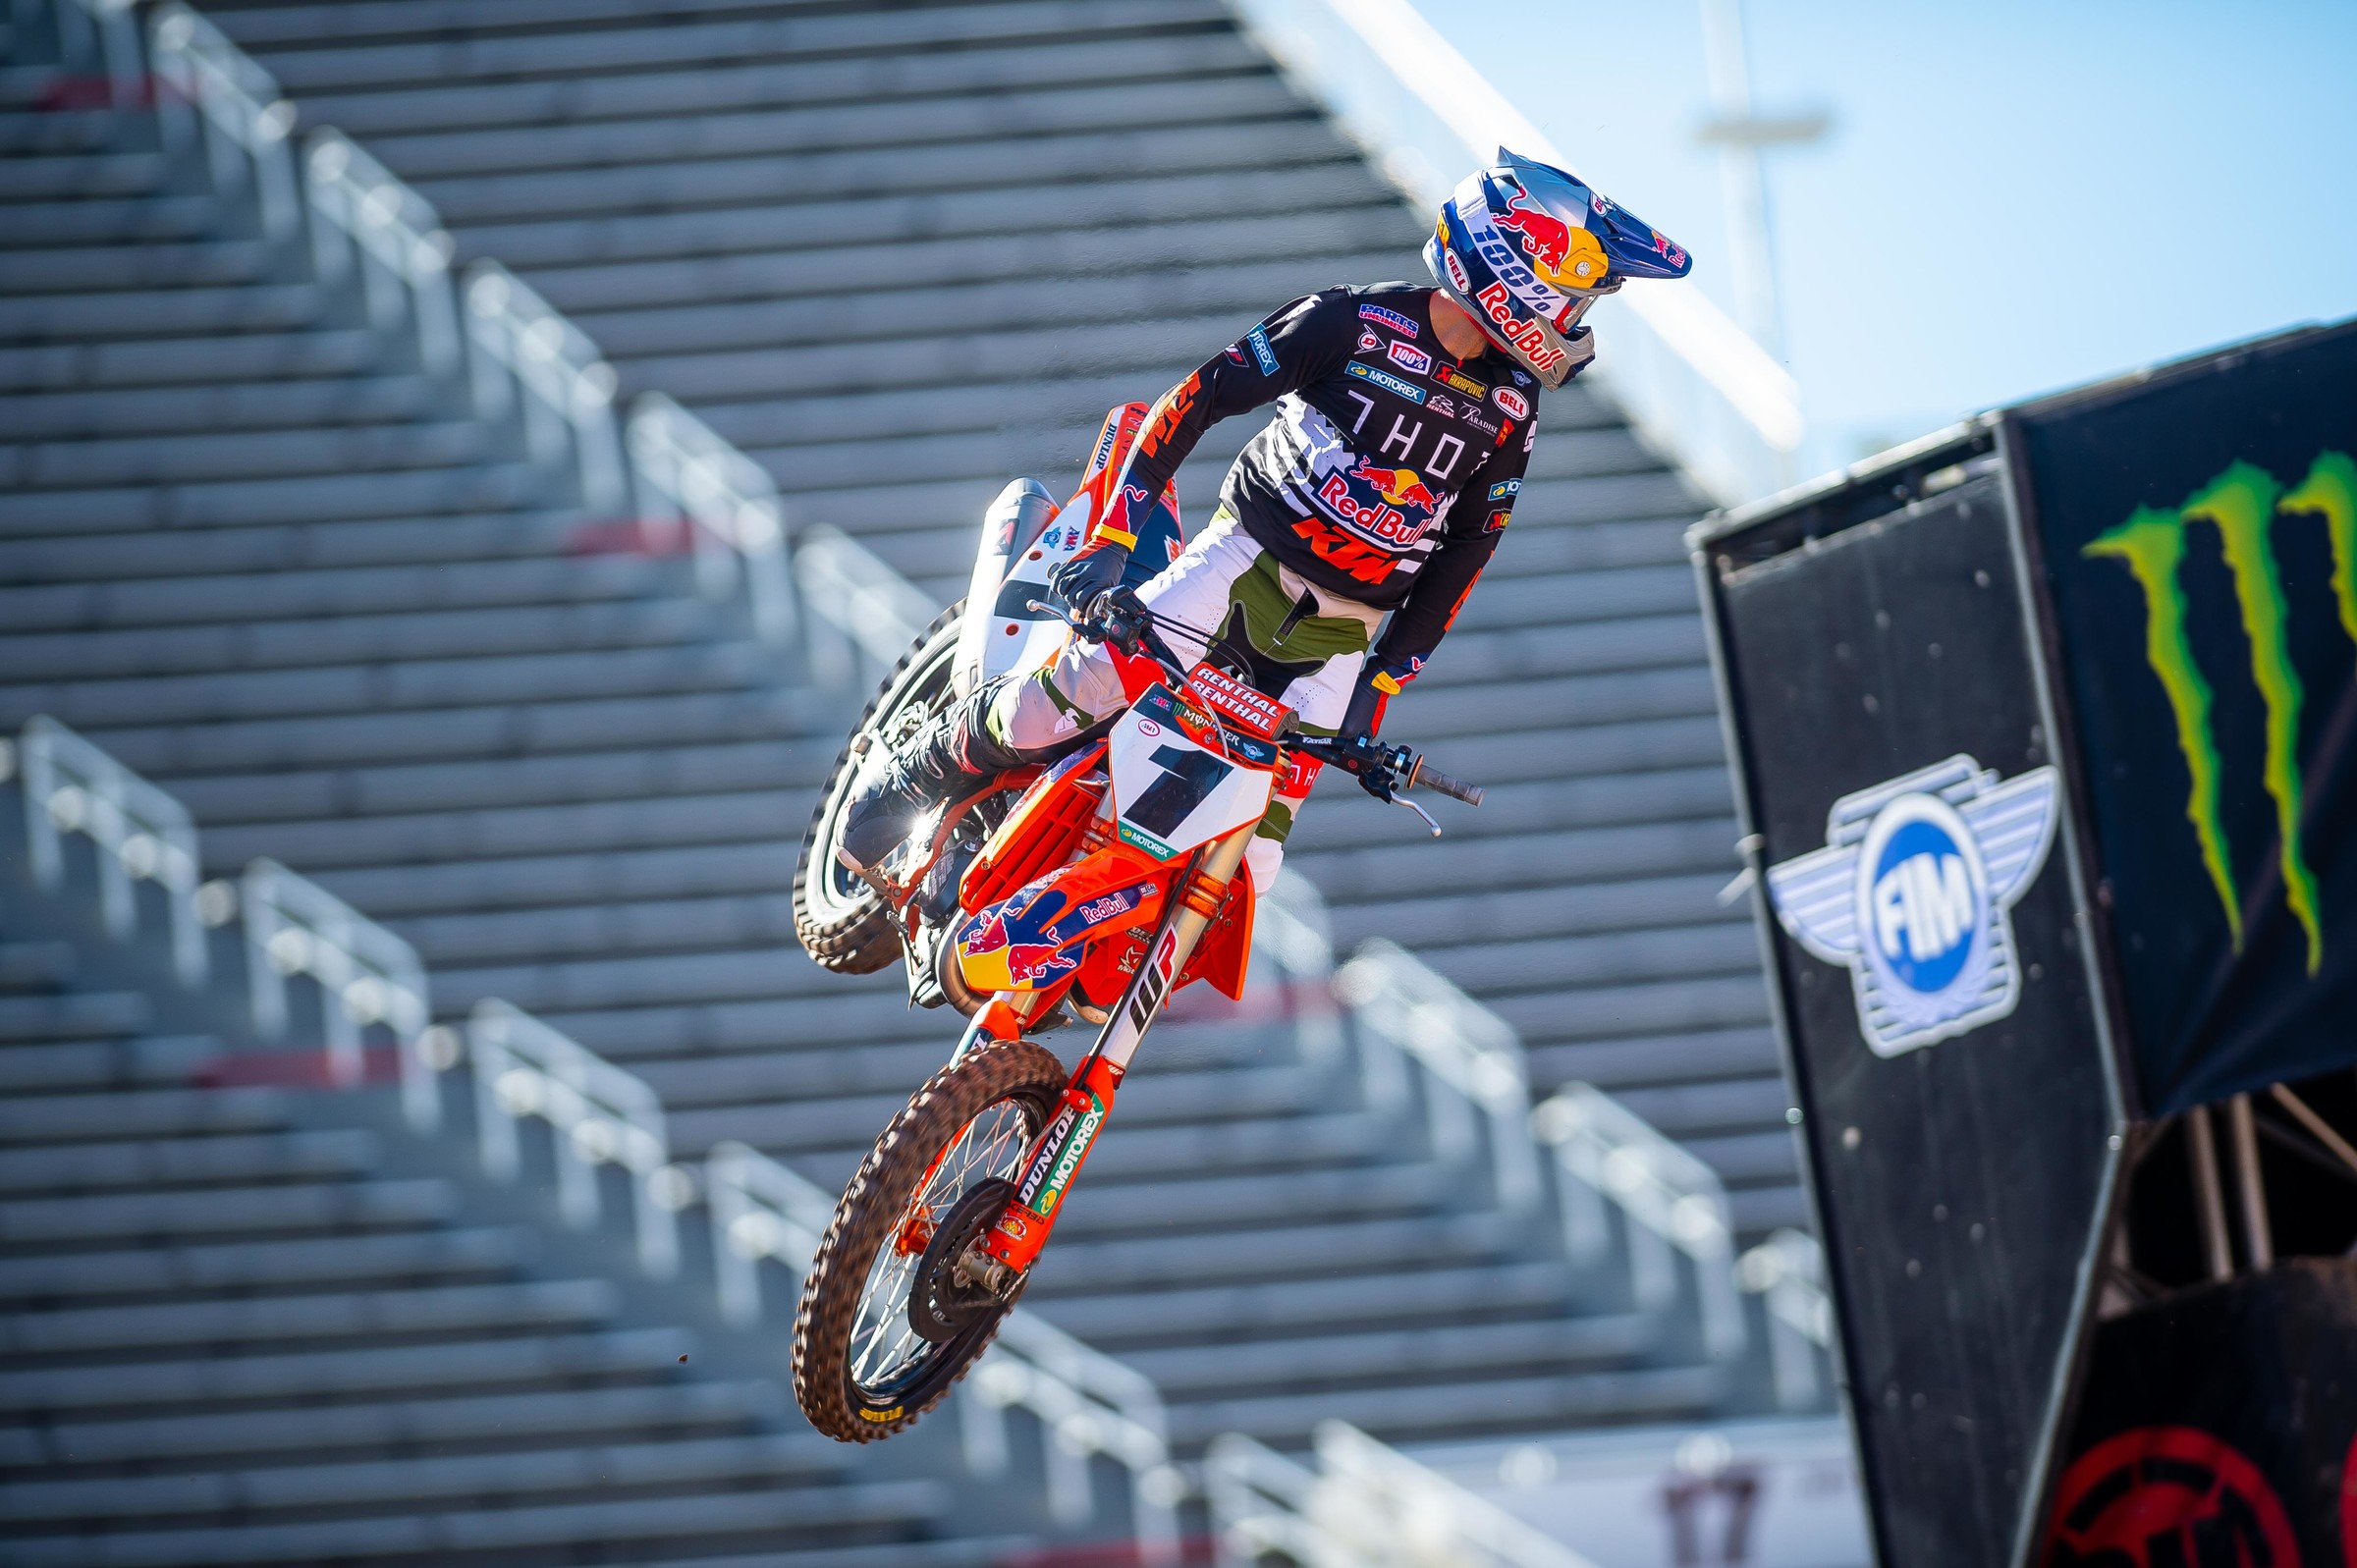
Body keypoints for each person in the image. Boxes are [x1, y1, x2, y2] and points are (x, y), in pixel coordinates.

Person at [841, 150, 1693, 892]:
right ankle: (919, 770)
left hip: (1344, 631)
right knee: (1079, 691)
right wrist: (1112, 536)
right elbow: (1198, 397)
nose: (1578, 325)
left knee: (1254, 858)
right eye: (1579, 298)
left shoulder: (1512, 408)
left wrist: (1381, 685)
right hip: (1240, 558)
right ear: (1518, 271)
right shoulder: (1351, 320)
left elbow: (1468, 554)